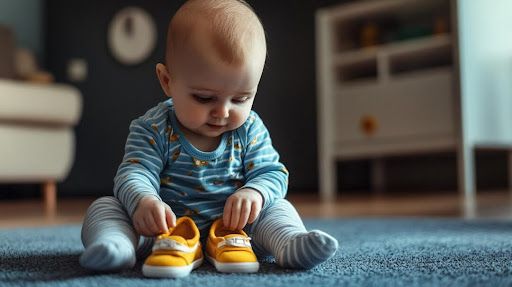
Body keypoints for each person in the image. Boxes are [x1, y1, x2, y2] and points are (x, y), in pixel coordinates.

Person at [79, 0, 338, 273]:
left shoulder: (249, 129)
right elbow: (135, 173)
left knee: (277, 207)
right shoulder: (153, 127)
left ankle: (289, 243)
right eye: (204, 98)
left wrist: (255, 193)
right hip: (160, 232)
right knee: (105, 207)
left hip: (240, 233)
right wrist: (145, 202)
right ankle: (116, 245)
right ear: (167, 81)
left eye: (241, 98)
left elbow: (273, 173)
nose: (223, 112)